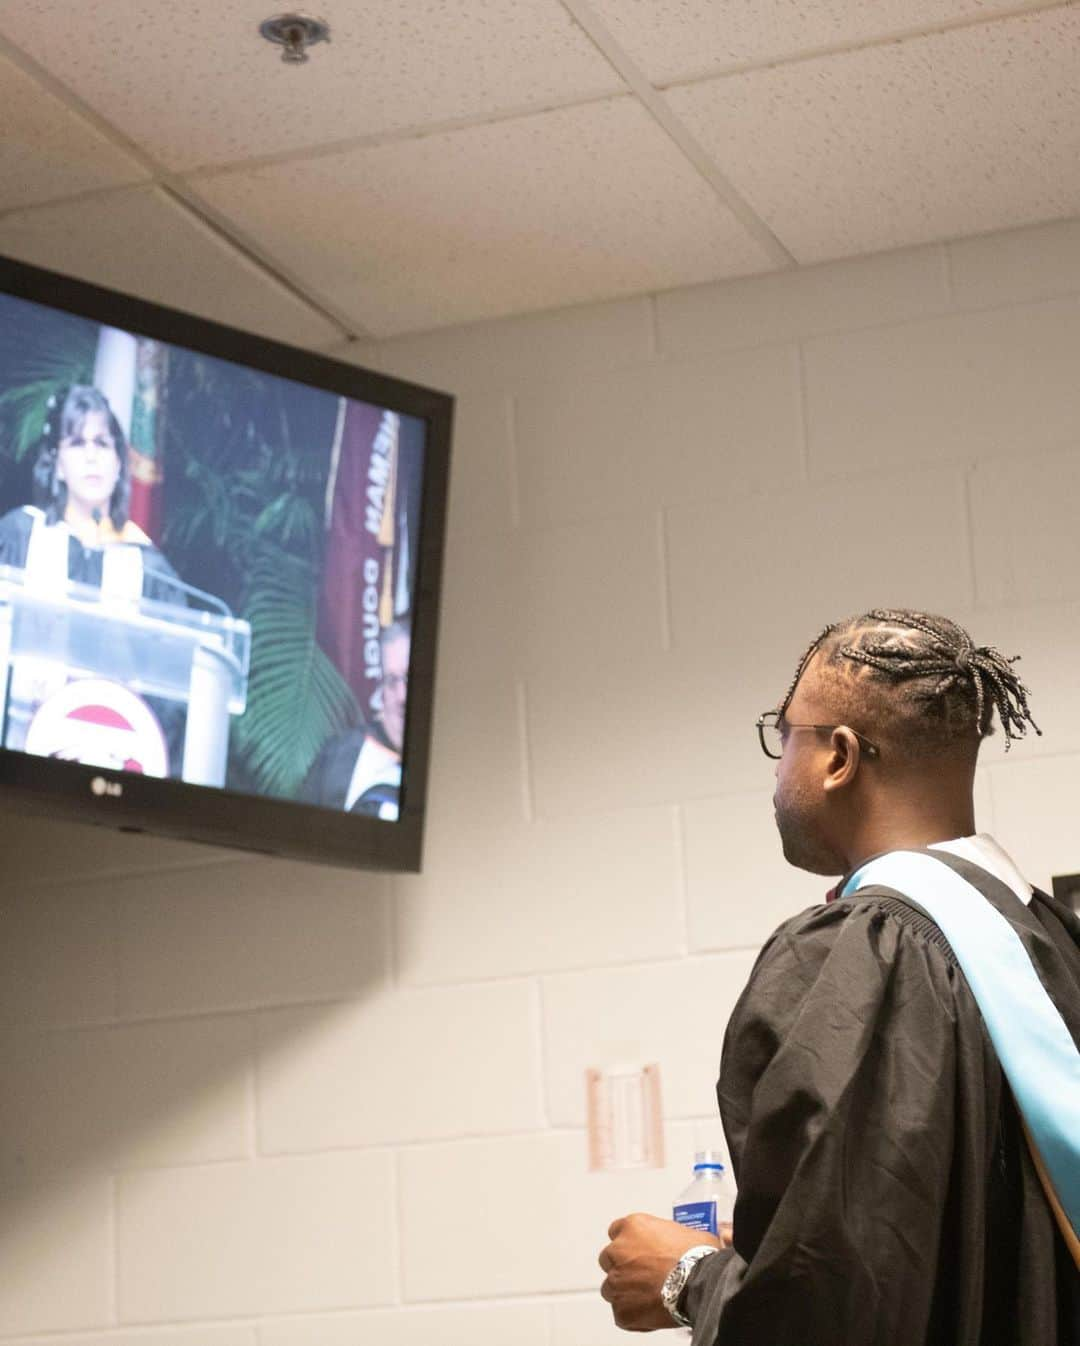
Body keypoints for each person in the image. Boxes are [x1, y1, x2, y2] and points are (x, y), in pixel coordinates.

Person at [598, 609, 1079, 1346]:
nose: (779, 762)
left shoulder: (861, 955)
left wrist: (690, 1277)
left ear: (839, 757)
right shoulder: (1050, 935)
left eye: (784, 734)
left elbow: (833, 1307)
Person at [0, 384, 181, 603]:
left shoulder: (146, 563)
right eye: (77, 443)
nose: (91, 456)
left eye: (102, 444)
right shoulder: (20, 535)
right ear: (58, 465)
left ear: (118, 464)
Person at [301, 619, 409, 819]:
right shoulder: (338, 758)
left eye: (409, 678)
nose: (402, 696)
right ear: (382, 690)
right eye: (392, 681)